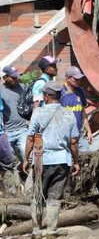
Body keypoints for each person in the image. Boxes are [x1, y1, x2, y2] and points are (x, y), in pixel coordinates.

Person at [22, 81, 79, 238]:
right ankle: (52, 230)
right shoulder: (69, 114)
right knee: (55, 196)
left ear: (46, 97)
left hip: (41, 160)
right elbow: (73, 142)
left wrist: (26, 158)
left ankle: (36, 231)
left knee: (38, 194)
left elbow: (30, 139)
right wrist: (76, 162)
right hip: (62, 160)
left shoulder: (38, 113)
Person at [60, 67, 93, 152]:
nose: (79, 81)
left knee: (86, 157)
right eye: (76, 79)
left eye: (80, 79)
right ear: (68, 78)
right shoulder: (60, 93)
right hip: (65, 135)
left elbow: (83, 113)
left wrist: (89, 131)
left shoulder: (80, 91)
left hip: (80, 133)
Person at [2, 66, 28, 161]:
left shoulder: (23, 88)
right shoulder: (1, 91)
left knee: (28, 156)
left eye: (17, 76)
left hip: (22, 130)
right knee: (10, 160)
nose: (16, 79)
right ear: (5, 78)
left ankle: (29, 174)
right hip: (7, 132)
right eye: (13, 77)